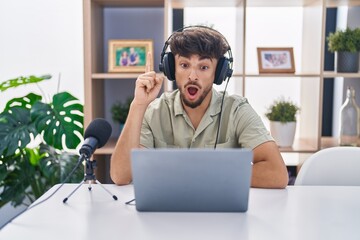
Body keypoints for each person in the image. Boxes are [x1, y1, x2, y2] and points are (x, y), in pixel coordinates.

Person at [110, 26, 289, 188]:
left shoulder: (237, 110)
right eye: (184, 65)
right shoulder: (154, 111)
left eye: (203, 67)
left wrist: (199, 174)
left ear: (219, 74)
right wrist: (139, 104)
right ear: (171, 69)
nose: (192, 76)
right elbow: (121, 175)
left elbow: (277, 174)